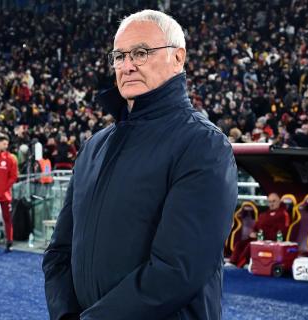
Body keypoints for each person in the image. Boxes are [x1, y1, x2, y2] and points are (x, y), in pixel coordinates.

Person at [42, 10, 237, 320]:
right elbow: (59, 253)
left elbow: (177, 270)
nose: (127, 65)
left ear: (178, 58)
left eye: (141, 53)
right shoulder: (93, 147)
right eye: (119, 56)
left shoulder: (203, 145)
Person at [226, 193, 291, 268]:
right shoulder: (263, 215)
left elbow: (281, 233)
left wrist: (261, 235)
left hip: (270, 241)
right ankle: (232, 262)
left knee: (250, 245)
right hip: (258, 239)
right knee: (239, 244)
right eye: (269, 202)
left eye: (274, 201)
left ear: (279, 201)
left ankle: (239, 265)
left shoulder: (283, 215)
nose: (271, 204)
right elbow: (256, 228)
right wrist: (253, 233)